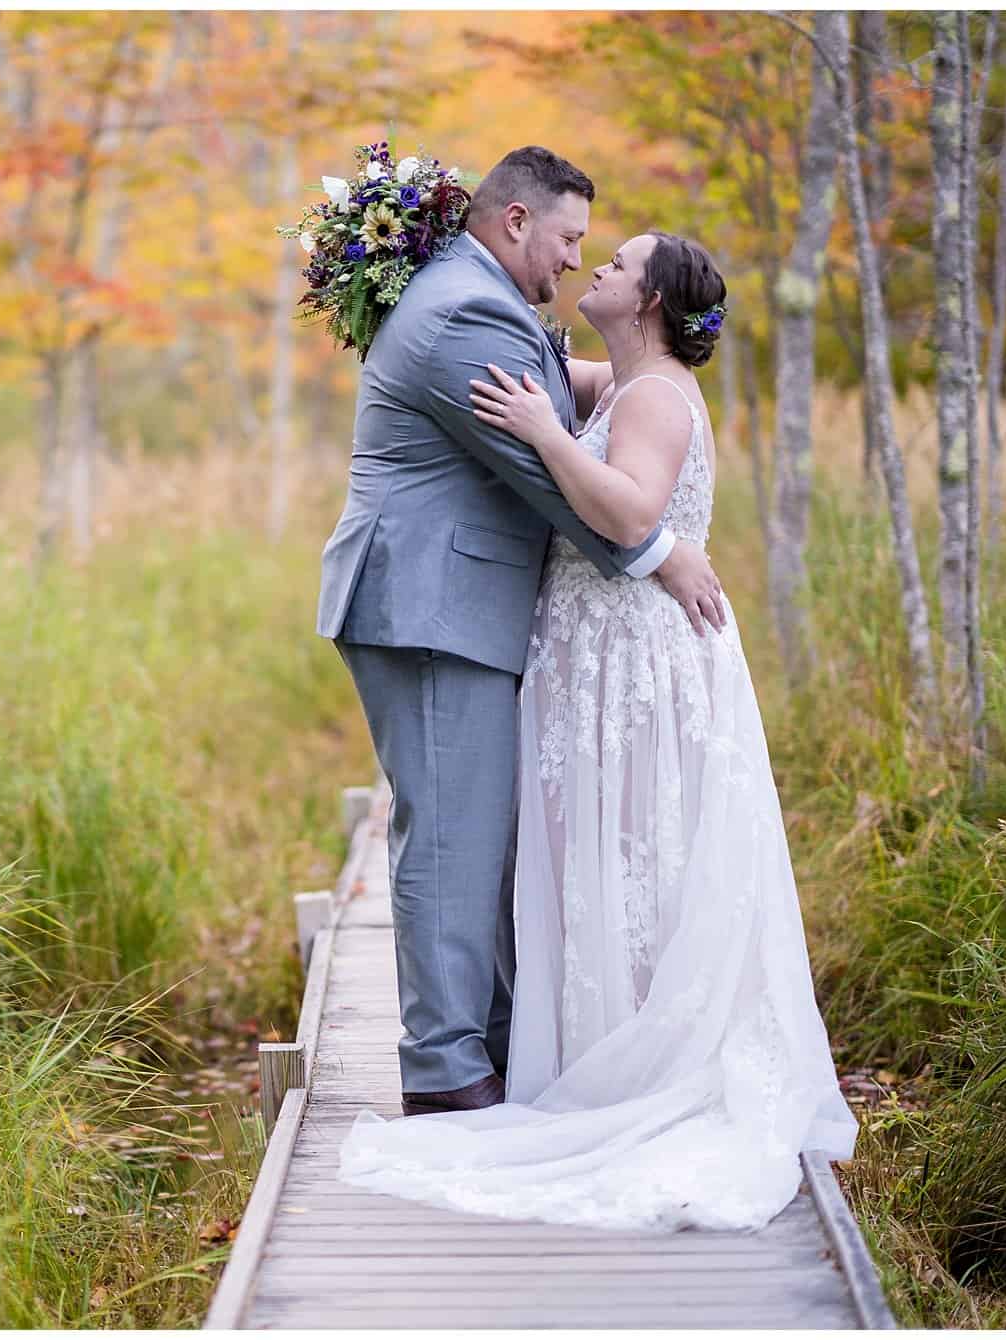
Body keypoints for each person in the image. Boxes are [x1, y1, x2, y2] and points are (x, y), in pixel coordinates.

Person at [335, 227, 859, 1232]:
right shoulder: (610, 380)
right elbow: (504, 361)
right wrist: (399, 263)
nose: (593, 271)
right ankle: (587, 1047)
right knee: (590, 852)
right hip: (591, 649)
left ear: (649, 302)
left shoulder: (655, 396)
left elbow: (627, 515)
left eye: (614, 265)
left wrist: (541, 431)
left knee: (635, 850)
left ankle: (632, 1064)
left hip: (639, 657)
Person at [315, 145, 727, 1118]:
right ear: (512, 223)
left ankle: (486, 1045)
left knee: (479, 834)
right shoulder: (464, 309)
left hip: (452, 606)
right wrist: (657, 549)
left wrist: (644, 370)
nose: (574, 262)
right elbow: (541, 470)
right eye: (567, 239)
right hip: (426, 606)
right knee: (453, 835)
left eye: (596, 251)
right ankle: (446, 1068)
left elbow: (572, 385)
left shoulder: (488, 301)